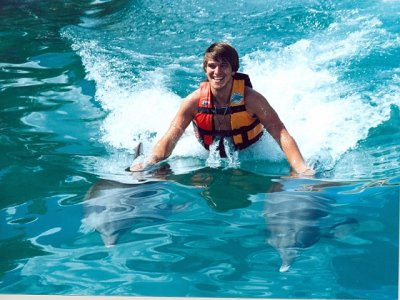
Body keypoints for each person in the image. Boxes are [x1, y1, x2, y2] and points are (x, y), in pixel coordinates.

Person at [130, 42, 314, 176]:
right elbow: (173, 132)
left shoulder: (252, 100)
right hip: (207, 150)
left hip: (249, 149)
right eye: (212, 66)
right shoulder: (193, 101)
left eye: (224, 66)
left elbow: (280, 132)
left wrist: (302, 168)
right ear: (205, 69)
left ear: (234, 70)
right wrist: (150, 162)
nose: (217, 72)